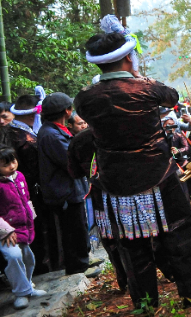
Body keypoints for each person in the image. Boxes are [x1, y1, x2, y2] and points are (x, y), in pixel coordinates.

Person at [74, 15, 191, 308]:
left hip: (115, 181)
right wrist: (140, 78)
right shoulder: (146, 88)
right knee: (179, 232)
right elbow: (172, 97)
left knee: (132, 244)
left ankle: (145, 301)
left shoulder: (85, 98)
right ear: (128, 58)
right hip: (159, 175)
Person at [36, 93, 92, 276]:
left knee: (79, 226)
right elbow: (70, 159)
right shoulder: (51, 135)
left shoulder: (54, 130)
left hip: (70, 188)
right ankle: (77, 266)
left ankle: (83, 261)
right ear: (67, 111)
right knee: (72, 230)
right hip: (64, 191)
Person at [67, 128, 128, 293]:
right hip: (127, 193)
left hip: (101, 196)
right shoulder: (122, 130)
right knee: (135, 238)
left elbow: (73, 172)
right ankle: (147, 281)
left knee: (111, 240)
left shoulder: (79, 140)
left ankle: (124, 280)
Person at [7, 89, 56, 275]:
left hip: (29, 190)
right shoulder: (21, 138)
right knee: (36, 227)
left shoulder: (19, 132)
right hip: (27, 191)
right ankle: (41, 266)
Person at [0, 146, 49, 310]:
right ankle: (21, 293)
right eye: (5, 165)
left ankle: (28, 287)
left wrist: (31, 219)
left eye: (13, 161)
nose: (12, 166)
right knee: (14, 258)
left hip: (24, 227)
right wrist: (5, 231)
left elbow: (26, 199)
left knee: (28, 258)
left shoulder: (19, 176)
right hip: (6, 233)